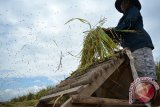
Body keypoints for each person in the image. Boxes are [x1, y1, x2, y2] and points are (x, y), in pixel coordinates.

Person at [111, 0, 158, 104]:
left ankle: (151, 100)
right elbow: (120, 33)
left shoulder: (133, 11)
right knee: (138, 76)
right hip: (132, 49)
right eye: (121, 4)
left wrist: (114, 31)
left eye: (124, 2)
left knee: (146, 74)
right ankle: (144, 100)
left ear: (129, 2)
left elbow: (129, 22)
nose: (122, 5)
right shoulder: (123, 18)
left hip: (140, 45)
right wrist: (113, 34)